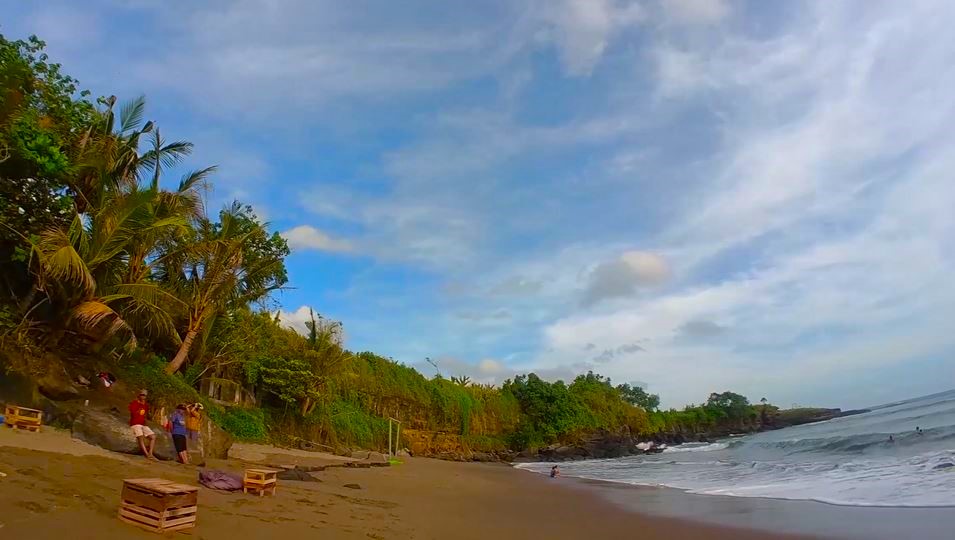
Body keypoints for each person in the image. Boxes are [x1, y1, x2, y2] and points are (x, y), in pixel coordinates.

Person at [129, 390, 157, 461]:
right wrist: (139, 404)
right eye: (141, 395)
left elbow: (145, 414)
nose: (143, 396)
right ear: (139, 395)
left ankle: (150, 453)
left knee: (153, 436)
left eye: (144, 395)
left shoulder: (146, 405)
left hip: (143, 424)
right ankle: (147, 454)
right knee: (140, 437)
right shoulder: (134, 403)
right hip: (135, 423)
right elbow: (132, 413)